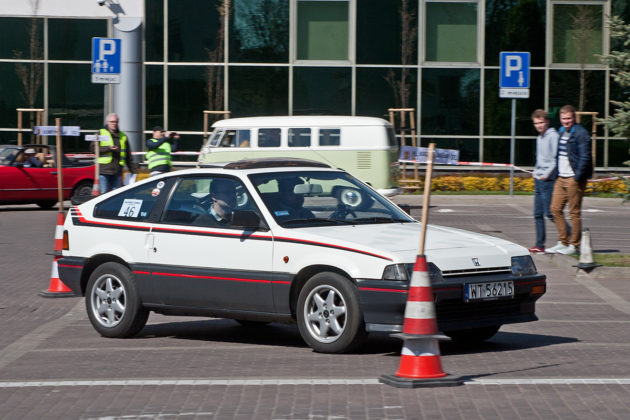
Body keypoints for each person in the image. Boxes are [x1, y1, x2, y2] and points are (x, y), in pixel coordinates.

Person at [546, 105, 593, 255]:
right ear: (560, 119)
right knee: (555, 209)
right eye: (563, 119)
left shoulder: (581, 133)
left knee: (574, 212)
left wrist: (577, 177)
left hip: (574, 178)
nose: (566, 121)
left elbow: (585, 157)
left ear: (574, 118)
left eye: (569, 118)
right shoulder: (561, 131)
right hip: (561, 177)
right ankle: (563, 241)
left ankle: (574, 245)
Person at [528, 110, 558, 253]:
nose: (538, 125)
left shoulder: (553, 136)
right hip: (538, 180)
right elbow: (539, 159)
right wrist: (535, 171)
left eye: (541, 122)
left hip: (548, 180)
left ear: (547, 122)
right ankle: (540, 245)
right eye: (536, 123)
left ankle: (570, 237)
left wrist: (546, 175)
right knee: (537, 214)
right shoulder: (539, 138)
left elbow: (554, 160)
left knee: (550, 213)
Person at [98, 113, 138, 193]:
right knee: (103, 195)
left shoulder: (123, 136)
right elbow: (93, 148)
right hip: (104, 170)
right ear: (107, 122)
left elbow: (128, 156)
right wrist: (108, 148)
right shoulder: (100, 133)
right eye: (112, 122)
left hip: (117, 171)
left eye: (116, 122)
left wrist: (133, 171)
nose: (114, 124)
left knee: (115, 195)